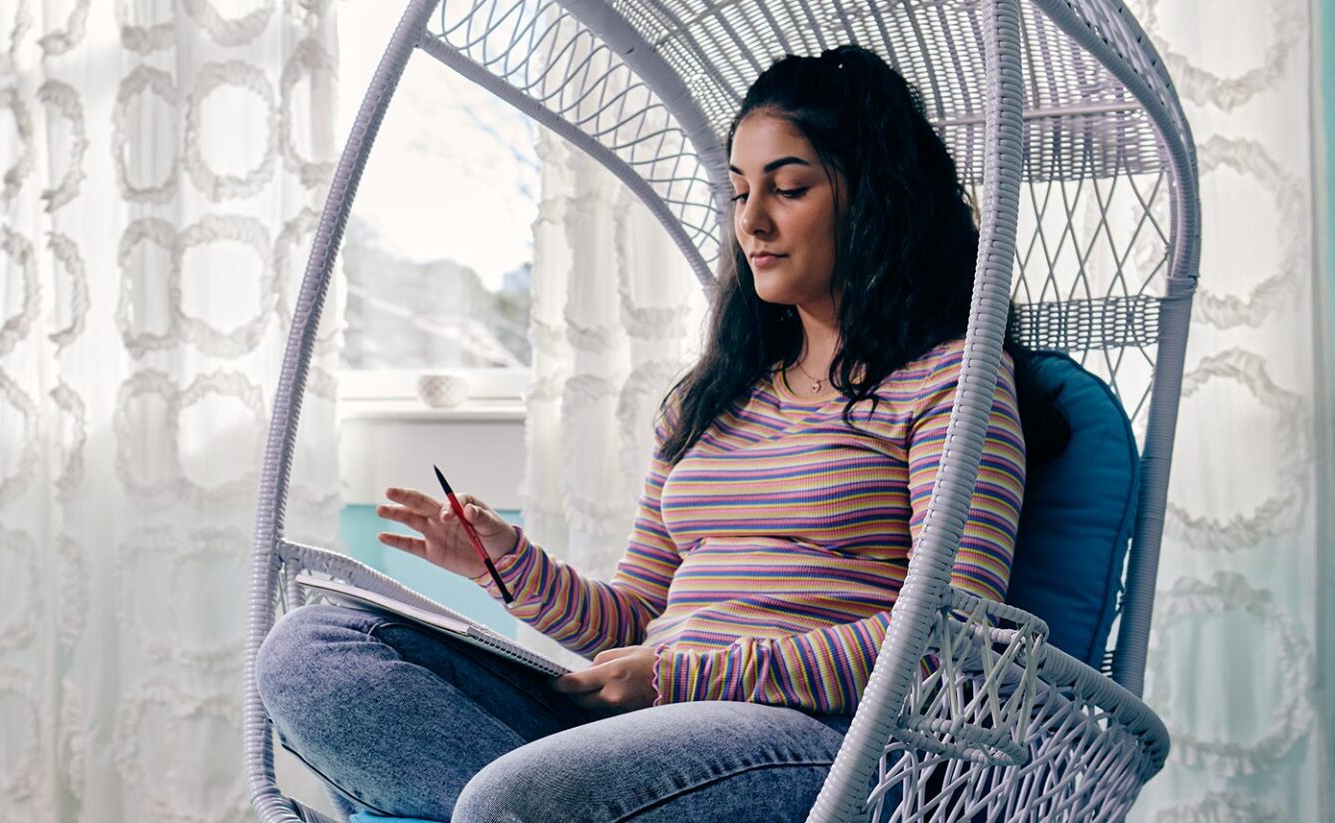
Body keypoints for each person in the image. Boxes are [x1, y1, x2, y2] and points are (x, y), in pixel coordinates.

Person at [256, 44, 1063, 822]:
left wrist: (682, 678)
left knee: (520, 798)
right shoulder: (708, 399)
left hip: (818, 745)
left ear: (873, 198)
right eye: (740, 191)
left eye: (789, 188)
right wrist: (506, 567)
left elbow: (952, 643)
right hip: (649, 727)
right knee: (314, 651)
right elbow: (635, 616)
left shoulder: (950, 379)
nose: (753, 222)